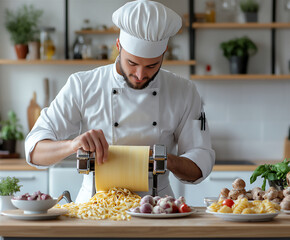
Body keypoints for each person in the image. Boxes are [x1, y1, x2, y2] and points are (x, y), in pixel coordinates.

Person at [25, 0, 215, 203]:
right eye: (132, 63)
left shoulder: (183, 91)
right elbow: (34, 149)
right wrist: (73, 144)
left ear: (164, 52)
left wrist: (165, 159)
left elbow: (200, 161)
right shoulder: (82, 84)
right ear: (118, 46)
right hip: (94, 208)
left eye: (152, 66)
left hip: (158, 209)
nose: (141, 74)